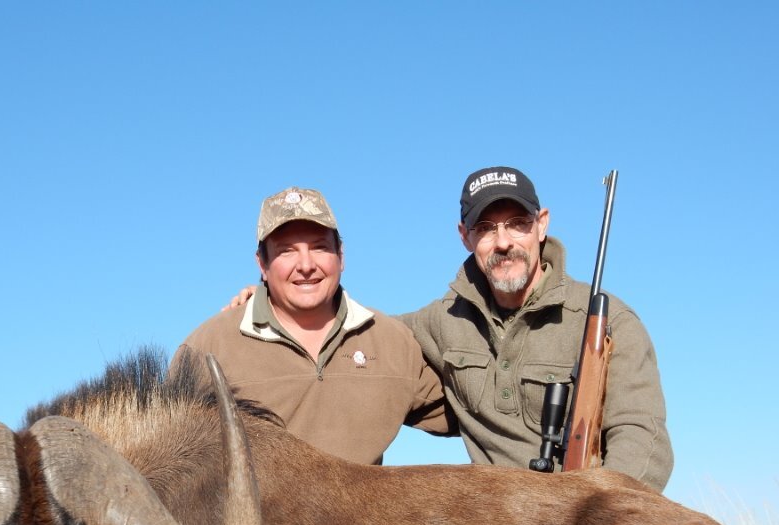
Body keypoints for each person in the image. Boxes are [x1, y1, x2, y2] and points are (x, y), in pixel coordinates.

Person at [399, 166, 673, 491]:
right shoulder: (440, 320)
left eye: (518, 224)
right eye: (485, 228)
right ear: (465, 236)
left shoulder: (613, 321)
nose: (503, 243)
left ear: (541, 224)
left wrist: (596, 515)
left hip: (583, 520)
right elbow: (367, 336)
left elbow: (642, 437)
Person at [175, 185, 453, 465]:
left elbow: (475, 414)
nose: (306, 265)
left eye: (319, 247)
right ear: (263, 264)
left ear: (340, 256)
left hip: (362, 509)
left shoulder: (392, 340)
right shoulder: (208, 347)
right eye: (286, 251)